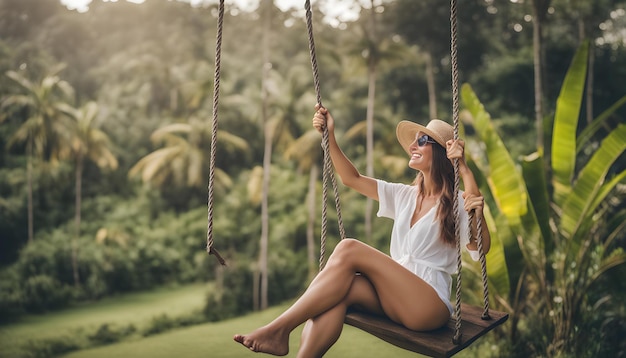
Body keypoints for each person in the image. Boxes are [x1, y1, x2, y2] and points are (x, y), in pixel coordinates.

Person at [234, 104, 491, 357]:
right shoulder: (404, 195)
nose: (412, 146)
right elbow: (352, 179)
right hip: (397, 297)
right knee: (341, 292)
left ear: (442, 154)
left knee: (349, 247)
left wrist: (465, 170)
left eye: (422, 140)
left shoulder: (458, 201)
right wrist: (329, 137)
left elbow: (481, 249)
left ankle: (278, 330)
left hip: (429, 304)